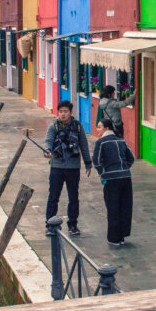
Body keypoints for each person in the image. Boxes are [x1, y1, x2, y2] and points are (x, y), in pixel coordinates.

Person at [44, 100, 92, 236]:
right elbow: (48, 142)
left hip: (73, 168)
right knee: (53, 196)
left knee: (73, 197)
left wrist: (88, 163)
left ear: (71, 112)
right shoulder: (54, 127)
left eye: (65, 111)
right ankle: (50, 224)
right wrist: (47, 151)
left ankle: (72, 225)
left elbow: (84, 145)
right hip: (57, 167)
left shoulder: (77, 127)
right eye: (61, 112)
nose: (63, 114)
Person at [92, 118, 135, 247]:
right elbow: (131, 158)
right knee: (125, 207)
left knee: (113, 208)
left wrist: (103, 174)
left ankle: (114, 238)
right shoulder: (121, 141)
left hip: (112, 179)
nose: (97, 129)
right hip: (126, 177)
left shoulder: (101, 143)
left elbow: (97, 161)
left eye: (99, 127)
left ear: (106, 128)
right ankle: (122, 236)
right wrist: (124, 168)